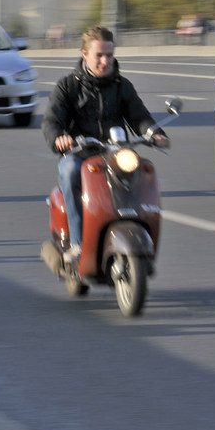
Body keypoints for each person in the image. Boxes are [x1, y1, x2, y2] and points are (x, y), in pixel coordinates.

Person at [42, 26, 169, 261]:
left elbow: (139, 116)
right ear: (84, 54)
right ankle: (78, 243)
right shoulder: (68, 87)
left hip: (115, 151)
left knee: (143, 170)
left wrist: (155, 133)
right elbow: (51, 120)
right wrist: (59, 137)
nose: (105, 61)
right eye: (99, 55)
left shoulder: (122, 86)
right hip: (79, 152)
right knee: (69, 172)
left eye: (109, 55)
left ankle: (141, 232)